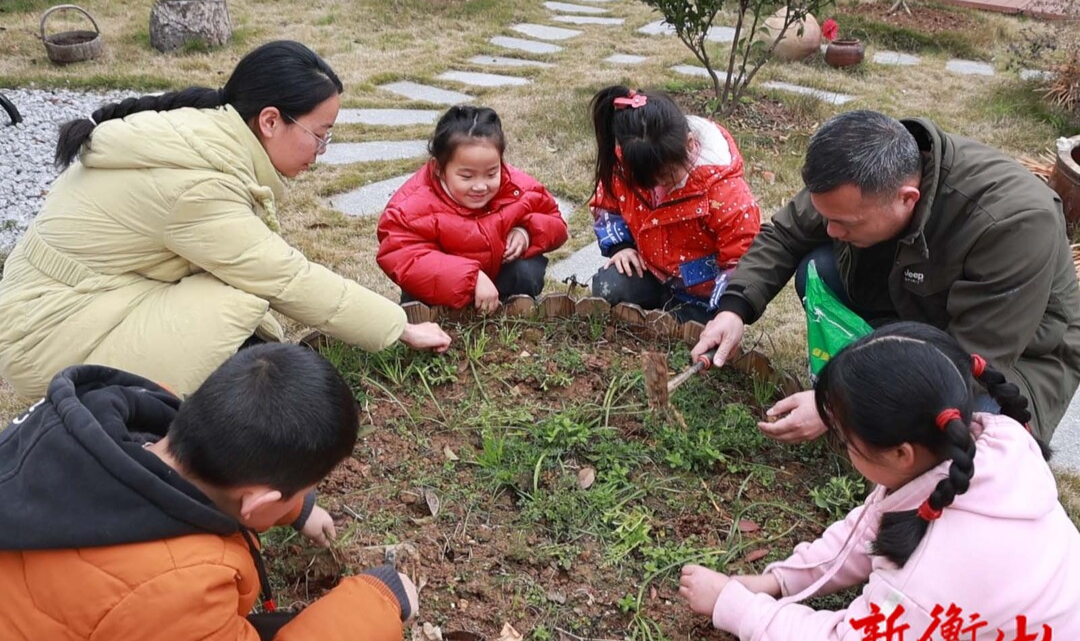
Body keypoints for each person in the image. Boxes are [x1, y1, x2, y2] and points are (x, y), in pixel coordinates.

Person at [0, 40, 451, 399]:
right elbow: (284, 278)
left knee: (239, 296)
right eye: (320, 134)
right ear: (271, 121)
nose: (322, 151)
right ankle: (131, 427)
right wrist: (398, 327)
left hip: (68, 304)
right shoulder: (196, 184)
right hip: (46, 340)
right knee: (240, 295)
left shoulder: (200, 136)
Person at [680, 322, 1080, 641]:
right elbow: (870, 527)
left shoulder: (935, 564)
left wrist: (732, 606)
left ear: (901, 453)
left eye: (845, 440)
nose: (843, 447)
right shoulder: (986, 448)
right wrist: (777, 580)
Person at [0, 343, 419, 641]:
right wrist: (381, 600)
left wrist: (296, 509)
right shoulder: (165, 592)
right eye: (303, 490)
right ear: (257, 501)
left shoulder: (112, 430)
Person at [691, 109, 1080, 442]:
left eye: (842, 222)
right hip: (918, 301)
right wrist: (734, 308)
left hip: (1016, 357)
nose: (829, 230)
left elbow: (971, 360)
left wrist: (838, 405)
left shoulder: (1014, 224)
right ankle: (878, 371)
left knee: (964, 438)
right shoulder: (862, 169)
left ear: (907, 198)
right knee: (819, 267)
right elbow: (787, 233)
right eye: (826, 216)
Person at [588, 85, 760, 324]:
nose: (658, 184)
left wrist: (728, 310)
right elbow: (607, 204)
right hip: (649, 272)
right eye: (647, 180)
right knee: (608, 287)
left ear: (690, 144)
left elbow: (741, 261)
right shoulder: (628, 164)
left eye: (667, 175)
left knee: (686, 333)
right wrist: (620, 247)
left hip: (701, 295)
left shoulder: (727, 195)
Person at [376, 105, 568, 312]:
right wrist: (471, 278)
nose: (480, 186)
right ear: (440, 169)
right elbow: (404, 255)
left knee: (527, 269)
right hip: (440, 294)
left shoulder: (518, 187)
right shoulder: (412, 206)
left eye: (492, 173)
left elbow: (555, 221)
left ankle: (514, 309)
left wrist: (526, 231)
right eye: (467, 177)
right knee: (420, 285)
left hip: (497, 276)